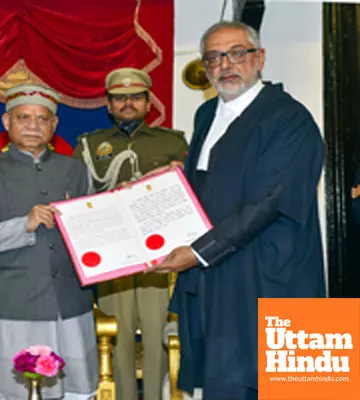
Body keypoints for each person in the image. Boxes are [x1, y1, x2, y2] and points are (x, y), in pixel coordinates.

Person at [145, 21, 326, 399]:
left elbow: (269, 200)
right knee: (223, 384)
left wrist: (197, 253)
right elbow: (218, 183)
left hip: (274, 275)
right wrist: (178, 181)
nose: (225, 64)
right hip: (219, 276)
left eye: (236, 53)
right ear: (205, 67)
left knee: (290, 388)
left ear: (259, 58)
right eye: (214, 57)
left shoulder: (291, 117)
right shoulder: (207, 113)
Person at [0, 83, 99, 399]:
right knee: (18, 392)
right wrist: (24, 225)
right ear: (7, 123)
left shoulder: (75, 171)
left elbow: (93, 229)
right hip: (15, 306)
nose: (33, 126)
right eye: (23, 117)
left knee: (78, 391)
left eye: (42, 119)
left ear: (54, 125)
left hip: (71, 304)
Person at [73, 67, 188, 400]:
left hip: (158, 255)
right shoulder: (90, 143)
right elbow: (79, 197)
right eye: (119, 98)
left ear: (148, 102)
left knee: (157, 336)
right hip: (113, 253)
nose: (127, 103)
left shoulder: (172, 141)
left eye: (135, 97)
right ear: (108, 104)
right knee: (116, 335)